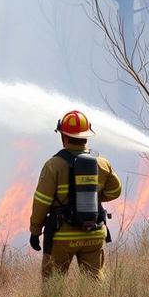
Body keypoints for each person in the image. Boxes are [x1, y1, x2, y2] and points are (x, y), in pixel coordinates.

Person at [28, 110, 122, 281]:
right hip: (94, 233)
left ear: (64, 137)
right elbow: (115, 191)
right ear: (87, 136)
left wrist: (35, 231)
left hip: (63, 235)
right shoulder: (101, 163)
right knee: (94, 283)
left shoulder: (53, 165)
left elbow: (42, 201)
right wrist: (94, 197)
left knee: (53, 284)